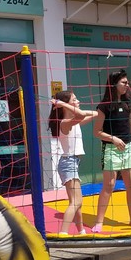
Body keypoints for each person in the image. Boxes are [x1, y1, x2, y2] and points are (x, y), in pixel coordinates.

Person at [88, 70, 131, 232]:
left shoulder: (128, 104)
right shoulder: (104, 106)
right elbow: (97, 131)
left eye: (128, 82)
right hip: (111, 149)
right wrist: (113, 138)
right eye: (124, 82)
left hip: (128, 148)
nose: (127, 85)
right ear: (114, 84)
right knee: (109, 185)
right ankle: (99, 221)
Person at [47, 91, 98, 235]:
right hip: (68, 163)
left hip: (71, 163)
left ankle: (81, 231)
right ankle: (63, 232)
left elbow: (95, 113)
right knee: (76, 202)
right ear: (66, 104)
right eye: (74, 100)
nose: (78, 101)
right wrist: (63, 104)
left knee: (76, 202)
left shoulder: (74, 122)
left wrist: (64, 104)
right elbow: (81, 115)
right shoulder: (65, 123)